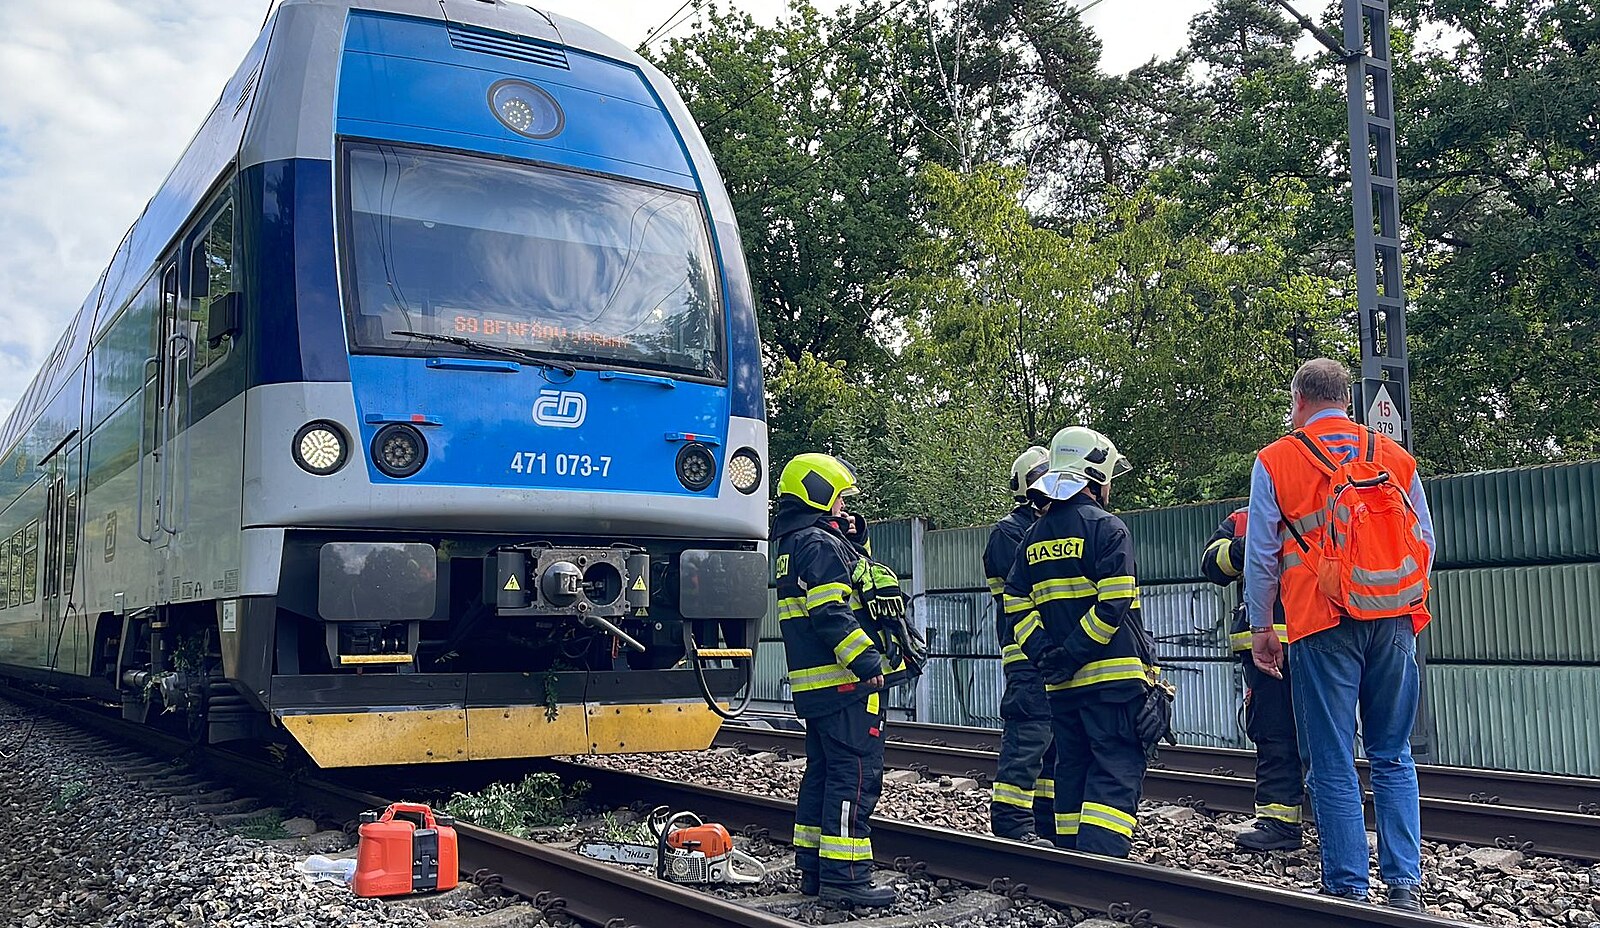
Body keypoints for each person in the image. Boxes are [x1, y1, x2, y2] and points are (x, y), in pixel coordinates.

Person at [1244, 359, 1435, 911]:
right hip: (1395, 620)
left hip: (1320, 621)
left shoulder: (1277, 460)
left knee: (1331, 758)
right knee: (1393, 753)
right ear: (1347, 401)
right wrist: (1399, 602)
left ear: (1299, 399)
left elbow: (1260, 556)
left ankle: (1349, 885)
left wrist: (1262, 626)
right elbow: (1425, 541)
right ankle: (1404, 885)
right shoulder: (1393, 456)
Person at [1004, 426, 1158, 858]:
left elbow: (1014, 601)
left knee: (1071, 767)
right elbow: (1114, 604)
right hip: (1112, 680)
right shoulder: (1108, 529)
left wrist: (1045, 654)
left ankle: (1070, 859)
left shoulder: (1032, 536)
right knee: (1115, 765)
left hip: (1061, 687)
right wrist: (1072, 654)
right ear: (1094, 475)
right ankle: (1101, 863)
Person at [773, 453, 898, 909]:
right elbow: (830, 612)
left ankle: (813, 868)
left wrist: (851, 539)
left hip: (817, 688)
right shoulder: (818, 544)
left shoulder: (793, 545)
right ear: (818, 493)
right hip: (846, 685)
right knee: (855, 779)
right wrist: (870, 663)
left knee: (823, 775)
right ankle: (846, 880)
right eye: (841, 499)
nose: (844, 508)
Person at [1200, 507, 1304, 851]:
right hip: (1266, 645)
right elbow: (1211, 563)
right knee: (1274, 733)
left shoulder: (1322, 506)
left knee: (1325, 735)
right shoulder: (1244, 518)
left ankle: (1335, 819)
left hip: (1316, 639)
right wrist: (1248, 545)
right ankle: (1280, 822)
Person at [983, 446, 1056, 846]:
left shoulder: (1045, 526)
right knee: (1029, 737)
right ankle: (1011, 820)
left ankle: (1045, 820)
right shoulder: (1008, 533)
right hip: (1026, 653)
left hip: (1057, 654)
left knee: (1054, 742)